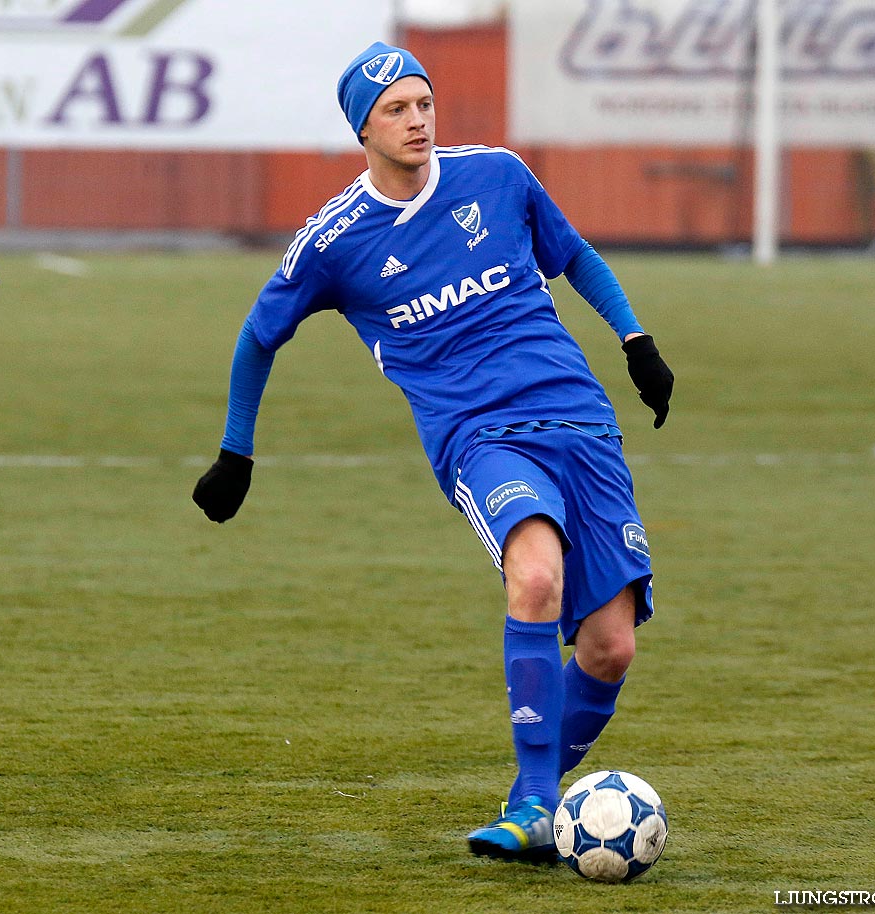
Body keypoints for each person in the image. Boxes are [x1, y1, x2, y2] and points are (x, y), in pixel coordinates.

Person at [191, 43, 674, 862]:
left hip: (578, 417)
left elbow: (574, 255)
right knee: (535, 574)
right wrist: (236, 452)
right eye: (396, 111)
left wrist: (635, 339)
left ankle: (546, 803)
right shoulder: (334, 241)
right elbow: (257, 336)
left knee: (610, 645)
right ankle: (531, 804)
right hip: (477, 436)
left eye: (424, 104)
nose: (417, 121)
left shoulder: (497, 176)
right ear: (363, 129)